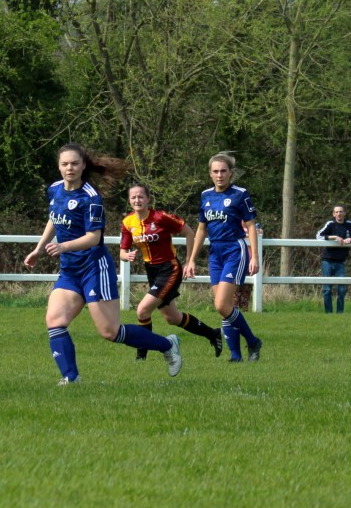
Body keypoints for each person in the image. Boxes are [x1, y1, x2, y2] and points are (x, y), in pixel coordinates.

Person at [24, 143, 182, 384]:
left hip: (94, 269)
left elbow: (93, 238)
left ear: (83, 165)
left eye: (74, 163)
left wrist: (63, 246)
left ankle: (166, 344)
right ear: (58, 166)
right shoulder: (54, 189)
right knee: (55, 321)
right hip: (70, 270)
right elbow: (54, 218)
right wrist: (38, 248)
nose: (69, 168)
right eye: (64, 164)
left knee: (110, 332)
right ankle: (71, 378)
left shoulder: (91, 198)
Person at [120, 183, 223, 360]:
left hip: (169, 268)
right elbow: (122, 251)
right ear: (129, 200)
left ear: (148, 199)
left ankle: (141, 357)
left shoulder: (161, 217)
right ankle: (213, 334)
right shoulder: (128, 222)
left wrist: (190, 261)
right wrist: (125, 256)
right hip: (151, 270)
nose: (137, 200)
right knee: (172, 318)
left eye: (141, 196)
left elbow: (190, 233)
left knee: (142, 310)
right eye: (133, 197)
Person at [183, 152, 263, 362]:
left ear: (231, 173)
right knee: (225, 308)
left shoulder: (240, 194)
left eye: (223, 171)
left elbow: (252, 226)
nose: (219, 175)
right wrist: (191, 259)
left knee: (221, 304)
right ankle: (236, 356)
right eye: (215, 171)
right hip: (215, 254)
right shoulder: (206, 196)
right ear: (210, 174)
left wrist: (254, 256)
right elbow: (201, 230)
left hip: (235, 250)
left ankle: (253, 341)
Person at [316, 205, 351, 313]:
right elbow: (319, 236)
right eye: (337, 212)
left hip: (341, 262)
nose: (339, 214)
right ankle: (328, 313)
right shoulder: (330, 224)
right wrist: (334, 237)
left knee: (342, 289)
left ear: (344, 213)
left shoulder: (350, 225)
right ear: (333, 214)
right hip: (327, 260)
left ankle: (339, 313)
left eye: (341, 212)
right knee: (327, 289)